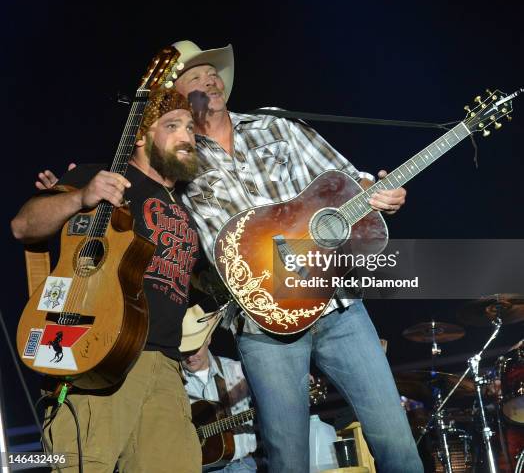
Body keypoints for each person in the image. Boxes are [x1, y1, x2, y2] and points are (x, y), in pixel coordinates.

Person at [34, 40, 424, 472]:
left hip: (338, 304)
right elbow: (142, 200)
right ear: (176, 97)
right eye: (195, 76)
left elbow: (348, 183)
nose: (210, 80)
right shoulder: (177, 163)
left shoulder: (278, 127)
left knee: (394, 438)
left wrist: (379, 193)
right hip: (260, 324)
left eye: (212, 73)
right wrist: (72, 190)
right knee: (286, 456)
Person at [12, 87, 203, 473]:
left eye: (190, 127)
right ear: (140, 136)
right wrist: (81, 195)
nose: (187, 136)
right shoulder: (100, 178)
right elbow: (23, 226)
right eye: (173, 126)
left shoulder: (188, 209)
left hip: (166, 366)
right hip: (97, 352)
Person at [181, 306, 257, 473]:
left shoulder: (237, 371)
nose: (191, 356)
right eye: (185, 350)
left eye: (195, 348)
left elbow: (270, 398)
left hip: (242, 466)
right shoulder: (174, 382)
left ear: (208, 339)